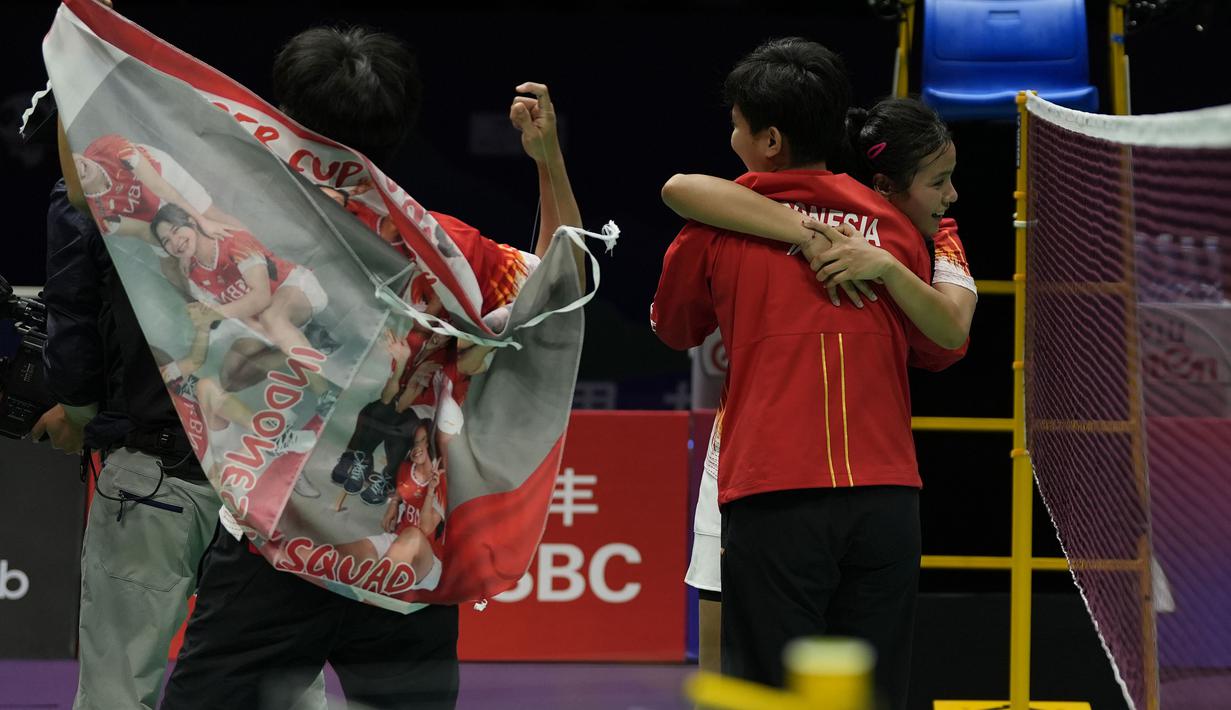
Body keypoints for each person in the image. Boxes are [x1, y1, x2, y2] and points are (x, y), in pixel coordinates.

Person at [160, 26, 583, 710]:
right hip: (400, 561)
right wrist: (546, 160)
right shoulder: (448, 249)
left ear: (289, 120)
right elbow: (557, 291)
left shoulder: (244, 232)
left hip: (277, 553)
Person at [650, 39, 964, 709]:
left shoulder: (714, 225)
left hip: (774, 494)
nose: (730, 134)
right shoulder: (892, 227)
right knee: (873, 692)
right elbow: (937, 351)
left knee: (770, 690)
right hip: (886, 497)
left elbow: (674, 328)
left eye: (734, 124)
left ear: (765, 139)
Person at [32, 140, 324, 710]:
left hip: (153, 476)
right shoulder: (263, 187)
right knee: (282, 689)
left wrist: (77, 411)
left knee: (116, 689)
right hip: (262, 479)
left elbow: (75, 342)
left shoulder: (89, 206)